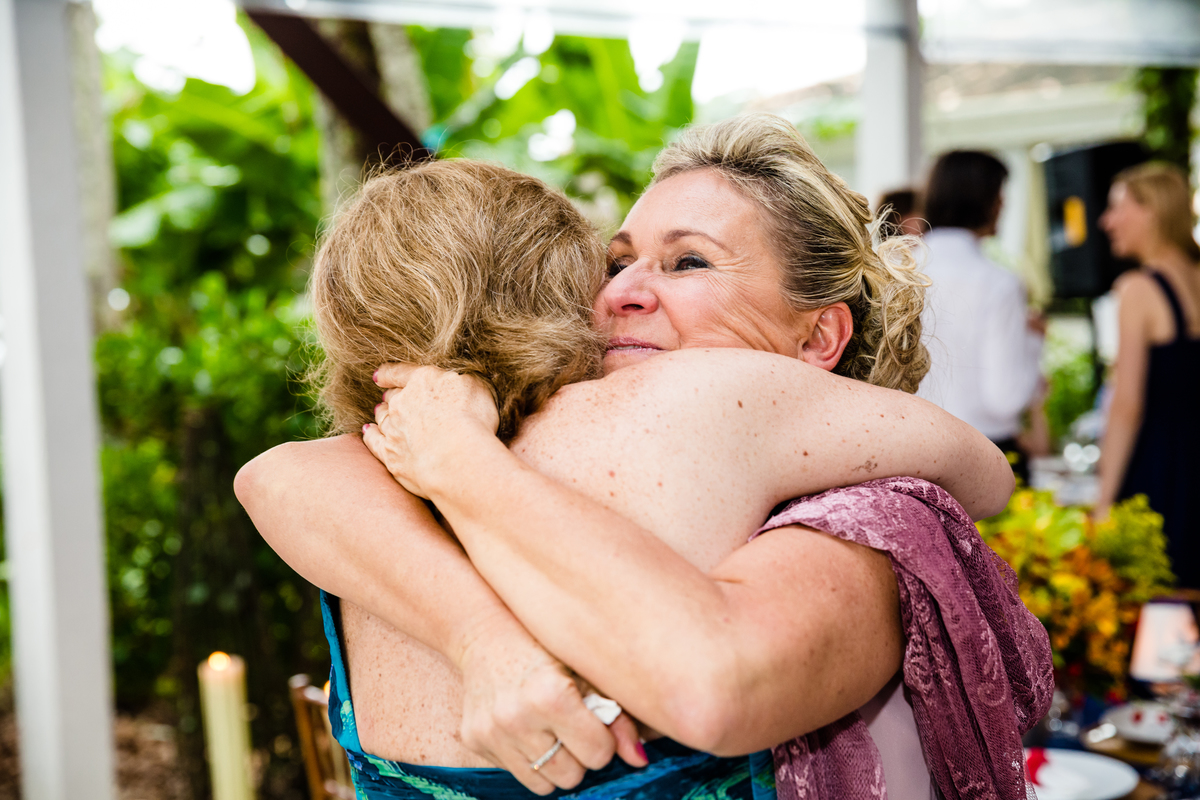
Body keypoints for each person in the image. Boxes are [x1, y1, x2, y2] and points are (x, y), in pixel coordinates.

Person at [237, 116, 1050, 800]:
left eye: (686, 260)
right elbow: (281, 473)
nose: (620, 289)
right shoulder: (463, 447)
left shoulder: (434, 459)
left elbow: (277, 473)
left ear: (819, 336)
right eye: (616, 258)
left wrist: (462, 468)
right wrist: (480, 633)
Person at [1096, 161, 1200, 588]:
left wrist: (1103, 503)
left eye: (1117, 207)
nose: (1106, 221)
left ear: (1151, 211)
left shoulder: (1138, 289)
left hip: (1162, 477)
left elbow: (1127, 405)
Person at [916, 150, 1044, 483]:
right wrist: (1032, 343)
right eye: (1000, 195)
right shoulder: (998, 282)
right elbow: (1005, 397)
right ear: (984, 200)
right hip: (986, 455)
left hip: (911, 455)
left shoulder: (899, 271)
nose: (1004, 205)